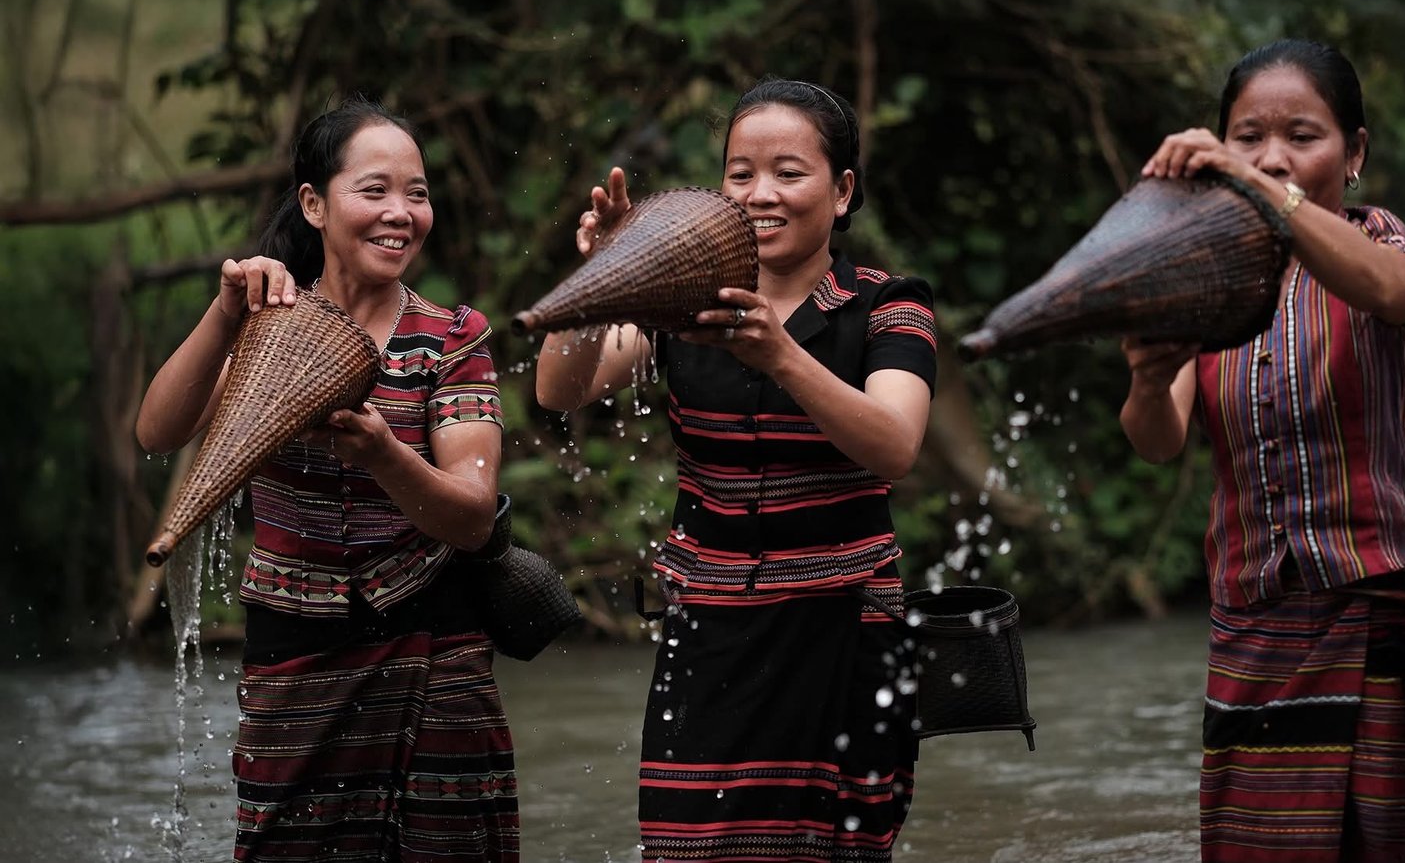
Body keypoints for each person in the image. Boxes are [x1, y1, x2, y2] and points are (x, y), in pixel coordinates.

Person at [536, 77, 937, 862]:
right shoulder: (679, 303)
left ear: (843, 189)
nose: (762, 194)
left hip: (845, 632)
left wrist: (781, 355)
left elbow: (895, 444)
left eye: (790, 173)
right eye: (740, 173)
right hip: (710, 632)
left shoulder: (888, 307)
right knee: (685, 847)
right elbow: (559, 388)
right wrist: (601, 276)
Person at [136, 97, 519, 861]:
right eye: (373, 191)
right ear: (314, 204)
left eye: (417, 194)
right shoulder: (266, 324)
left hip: (433, 644)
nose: (400, 214)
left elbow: (473, 517)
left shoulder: (453, 337)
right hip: (294, 659)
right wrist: (224, 314)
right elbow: (158, 431)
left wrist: (382, 454)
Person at [1119, 39, 1405, 862]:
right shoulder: (1203, 275)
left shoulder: (1377, 238)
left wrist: (1262, 194)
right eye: (1249, 138)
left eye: (1303, 135)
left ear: (1356, 152)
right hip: (1255, 625)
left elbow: (1395, 293)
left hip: (1375, 612)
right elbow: (1158, 440)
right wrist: (1144, 378)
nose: (1274, 156)